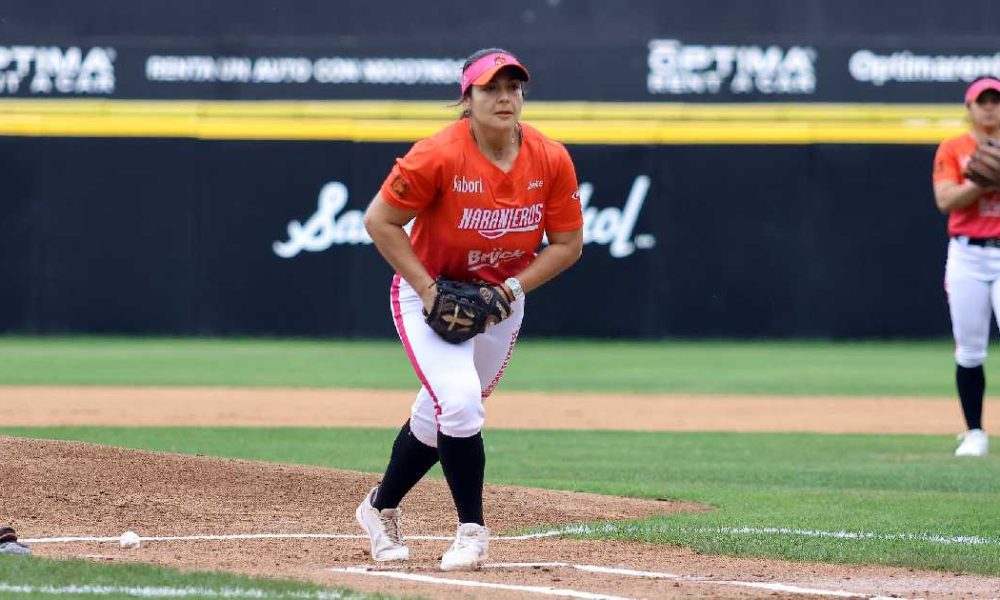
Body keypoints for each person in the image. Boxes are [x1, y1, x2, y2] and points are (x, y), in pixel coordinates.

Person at [357, 48, 584, 570]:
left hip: (501, 301)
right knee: (459, 404)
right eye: (491, 88)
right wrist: (427, 289)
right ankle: (472, 532)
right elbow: (379, 220)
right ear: (468, 98)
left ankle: (379, 508)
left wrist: (510, 291)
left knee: (442, 413)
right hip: (429, 295)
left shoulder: (550, 158)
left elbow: (567, 244)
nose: (505, 98)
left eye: (513, 87)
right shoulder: (437, 155)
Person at [933, 76, 1000, 457]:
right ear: (970, 107)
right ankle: (975, 432)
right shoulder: (954, 147)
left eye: (995, 100)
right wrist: (981, 182)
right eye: (982, 101)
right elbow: (945, 201)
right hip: (968, 254)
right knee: (970, 348)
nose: (989, 107)